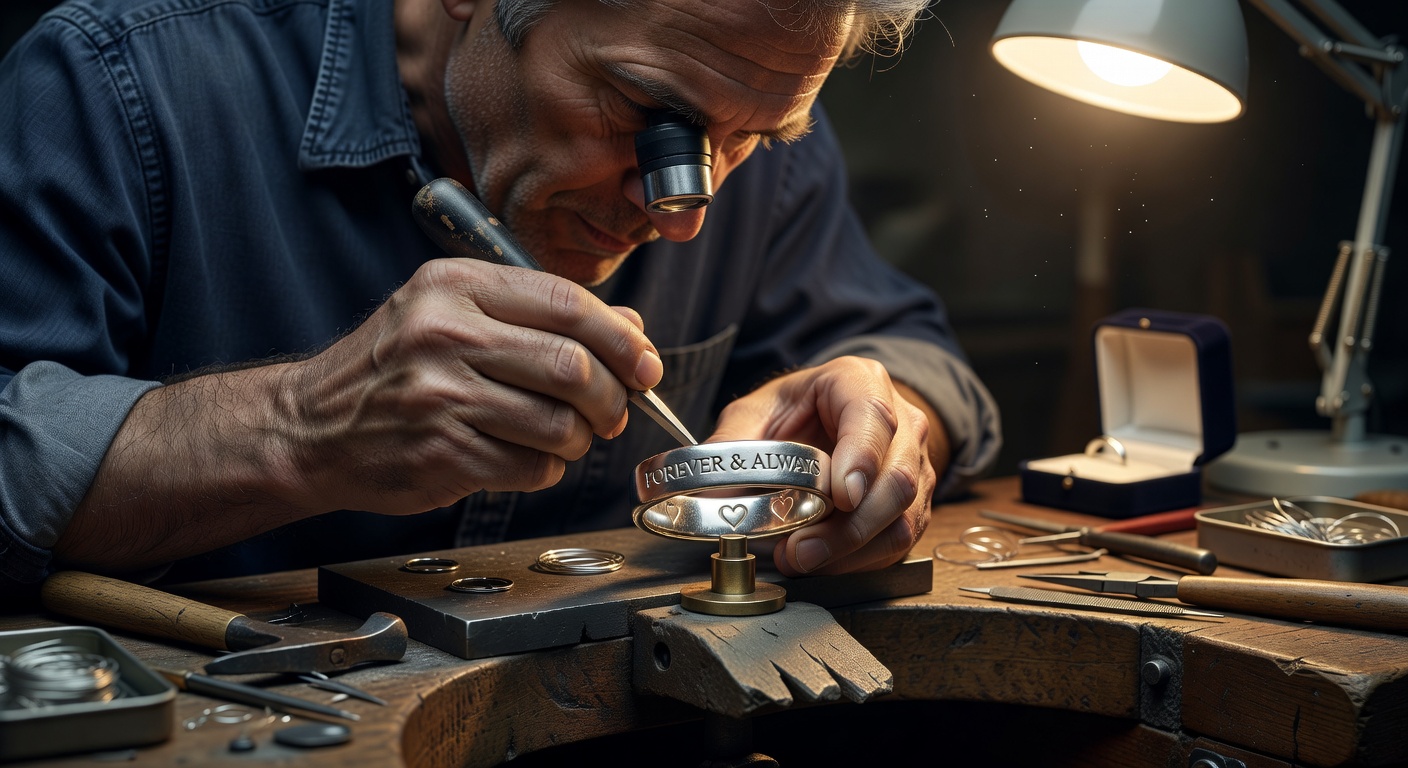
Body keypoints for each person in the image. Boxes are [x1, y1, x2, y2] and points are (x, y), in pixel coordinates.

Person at [0, 0, 1000, 590]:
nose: (687, 210)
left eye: (750, 141)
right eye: (649, 117)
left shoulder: (745, 117)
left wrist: (884, 422)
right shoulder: (116, 85)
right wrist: (297, 427)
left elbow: (906, 349)